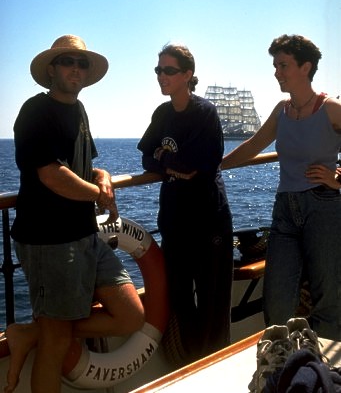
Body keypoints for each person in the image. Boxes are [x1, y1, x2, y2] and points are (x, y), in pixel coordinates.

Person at [4, 35, 144, 393]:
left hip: (84, 234)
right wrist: (99, 194)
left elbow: (88, 166)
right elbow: (52, 175)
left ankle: (28, 332)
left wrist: (105, 179)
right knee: (56, 342)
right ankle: (41, 332)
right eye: (68, 62)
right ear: (52, 69)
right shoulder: (36, 111)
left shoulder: (78, 111)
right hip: (49, 240)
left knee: (131, 315)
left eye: (81, 64)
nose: (76, 69)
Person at [222, 34, 341, 340]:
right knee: (277, 299)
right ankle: (283, 368)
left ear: (306, 67)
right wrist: (215, 166)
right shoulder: (281, 110)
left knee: (327, 297)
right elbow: (254, 145)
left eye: (283, 65)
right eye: (275, 65)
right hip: (285, 210)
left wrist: (336, 179)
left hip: (323, 208)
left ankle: (324, 377)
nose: (277, 72)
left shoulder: (330, 108)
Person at [137, 42, 233, 363]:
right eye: (158, 70)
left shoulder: (205, 113)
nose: (161, 76)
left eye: (169, 70)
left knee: (212, 302)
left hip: (208, 221)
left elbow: (198, 166)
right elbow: (146, 156)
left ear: (187, 75)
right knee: (179, 296)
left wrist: (166, 159)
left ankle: (216, 368)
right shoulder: (162, 114)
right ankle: (193, 366)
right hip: (175, 222)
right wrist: (169, 160)